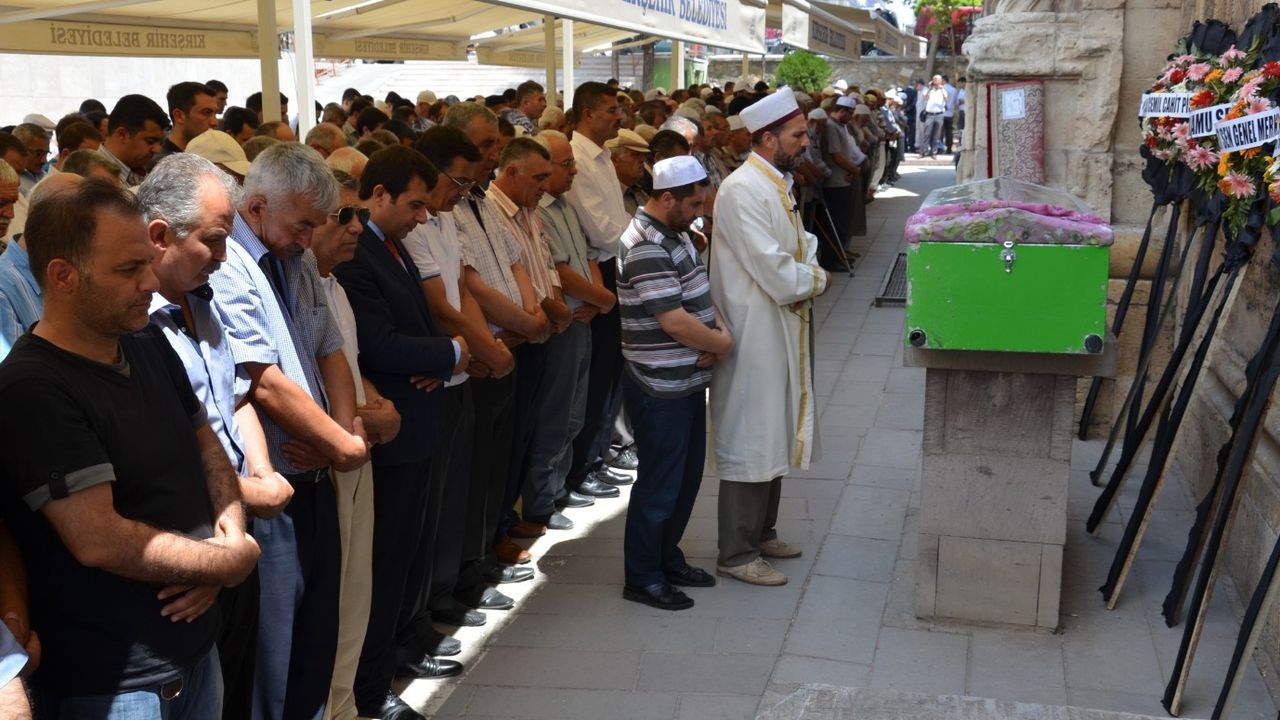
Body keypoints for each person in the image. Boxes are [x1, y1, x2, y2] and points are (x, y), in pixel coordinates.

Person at [0, 178, 259, 717]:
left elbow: (207, 444)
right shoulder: (33, 388)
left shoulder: (144, 340)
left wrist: (228, 533)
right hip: (114, 687)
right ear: (63, 276)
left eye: (147, 261)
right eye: (127, 270)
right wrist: (220, 565)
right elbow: (98, 538)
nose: (149, 281)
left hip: (194, 655)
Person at [208, 142, 369, 720]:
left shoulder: (296, 258)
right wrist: (341, 443)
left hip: (318, 465)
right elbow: (263, 382)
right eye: (301, 225)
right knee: (276, 656)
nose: (308, 239)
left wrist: (342, 431)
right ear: (255, 207)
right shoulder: (230, 265)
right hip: (275, 483)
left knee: (316, 637)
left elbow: (330, 349)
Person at [139, 154, 295, 718]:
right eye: (212, 241)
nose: (224, 258)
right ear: (160, 235)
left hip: (238, 523)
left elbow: (234, 399)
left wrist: (263, 474)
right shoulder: (133, 328)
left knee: (240, 679)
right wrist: (246, 499)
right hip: (195, 537)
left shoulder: (203, 301)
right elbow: (164, 454)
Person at [334, 145, 467, 720]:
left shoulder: (391, 243)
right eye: (414, 204)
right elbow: (379, 344)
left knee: (408, 555)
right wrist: (453, 352)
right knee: (382, 569)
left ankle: (403, 646)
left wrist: (439, 361)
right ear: (378, 194)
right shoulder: (357, 251)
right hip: (390, 431)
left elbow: (412, 322)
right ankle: (372, 686)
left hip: (418, 418)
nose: (423, 216)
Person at [398, 127, 513, 654]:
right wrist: (476, 349)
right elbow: (436, 307)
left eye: (470, 183)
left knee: (460, 488)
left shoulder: (445, 218)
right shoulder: (418, 224)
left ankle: (447, 587)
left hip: (458, 366)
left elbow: (460, 289)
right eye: (458, 181)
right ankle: (426, 605)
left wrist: (479, 348)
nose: (464, 192)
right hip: (439, 371)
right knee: (431, 507)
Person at [710, 88, 829, 587]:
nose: (805, 142)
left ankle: (762, 533)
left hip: (780, 325)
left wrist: (807, 270)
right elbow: (778, 272)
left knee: (774, 426)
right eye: (798, 134)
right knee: (752, 434)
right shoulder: (741, 190)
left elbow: (804, 245)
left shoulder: (775, 183)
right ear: (766, 137)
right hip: (755, 330)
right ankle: (736, 552)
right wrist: (816, 280)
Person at [309, 170, 403, 720]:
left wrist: (378, 406)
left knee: (357, 592)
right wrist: (354, 423)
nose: (353, 229)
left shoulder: (335, 286)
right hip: (327, 453)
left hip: (354, 444)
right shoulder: (298, 284)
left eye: (358, 217)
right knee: (334, 600)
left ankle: (344, 706)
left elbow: (351, 364)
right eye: (341, 216)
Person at [618, 156, 730, 611]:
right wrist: (721, 344)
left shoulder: (676, 232)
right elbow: (675, 321)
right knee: (660, 483)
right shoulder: (645, 244)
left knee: (684, 480)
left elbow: (699, 293)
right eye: (695, 203)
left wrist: (720, 337)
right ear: (667, 198)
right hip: (657, 387)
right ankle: (642, 576)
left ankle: (666, 558)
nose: (700, 211)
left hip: (682, 381)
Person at [444, 102, 544, 589]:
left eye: (495, 146)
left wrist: (531, 318)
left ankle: (488, 546)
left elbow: (515, 264)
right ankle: (469, 565)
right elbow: (471, 285)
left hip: (512, 345)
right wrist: (510, 332)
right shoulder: (449, 208)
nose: (492, 155)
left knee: (500, 459)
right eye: (485, 146)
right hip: (485, 353)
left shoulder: (482, 202)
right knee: (474, 468)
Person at [488, 138, 574, 544]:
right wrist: (540, 313)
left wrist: (554, 305)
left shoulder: (530, 212)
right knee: (509, 438)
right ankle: (501, 525)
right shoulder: (492, 212)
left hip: (541, 331)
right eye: (539, 176)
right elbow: (501, 279)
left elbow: (543, 265)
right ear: (511, 172)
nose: (547, 183)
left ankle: (513, 515)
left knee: (529, 431)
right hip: (516, 336)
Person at [528, 129, 614, 537]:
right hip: (566, 322)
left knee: (575, 410)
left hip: (584, 317)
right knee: (556, 412)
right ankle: (542, 500)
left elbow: (589, 256)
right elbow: (560, 271)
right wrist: (602, 298)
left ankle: (560, 487)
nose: (574, 171)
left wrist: (599, 296)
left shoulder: (564, 205)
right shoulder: (541, 209)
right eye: (565, 165)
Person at [563, 81, 635, 502]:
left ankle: (598, 456)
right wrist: (643, 237)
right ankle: (583, 465)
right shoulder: (577, 157)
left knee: (610, 370)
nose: (618, 117)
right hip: (595, 269)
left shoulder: (602, 156)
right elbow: (602, 229)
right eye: (611, 110)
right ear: (588, 113)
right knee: (594, 375)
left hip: (610, 264)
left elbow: (617, 218)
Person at [101, 93, 170, 185]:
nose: (157, 150)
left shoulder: (141, 170)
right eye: (150, 141)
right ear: (122, 135)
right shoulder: (91, 179)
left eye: (160, 143)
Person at [160, 82, 220, 155]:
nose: (215, 122)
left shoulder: (203, 156)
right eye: (206, 113)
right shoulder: (163, 163)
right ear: (179, 116)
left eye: (215, 113)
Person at [608, 129, 650, 216]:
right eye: (636, 154)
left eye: (644, 155)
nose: (643, 160)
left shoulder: (640, 192)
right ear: (614, 160)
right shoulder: (608, 196)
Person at [10, 125, 48, 196]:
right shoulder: (8, 182)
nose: (44, 160)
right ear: (19, 150)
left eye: (46, 154)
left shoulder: (46, 176)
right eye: (38, 154)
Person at [920, 76, 948, 158]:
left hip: (939, 114)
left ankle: (934, 152)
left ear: (940, 81)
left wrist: (941, 89)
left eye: (937, 79)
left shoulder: (943, 90)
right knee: (926, 134)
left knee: (936, 135)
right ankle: (923, 151)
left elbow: (946, 99)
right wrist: (929, 88)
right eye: (934, 79)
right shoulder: (929, 90)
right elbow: (925, 98)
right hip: (930, 114)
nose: (935, 80)